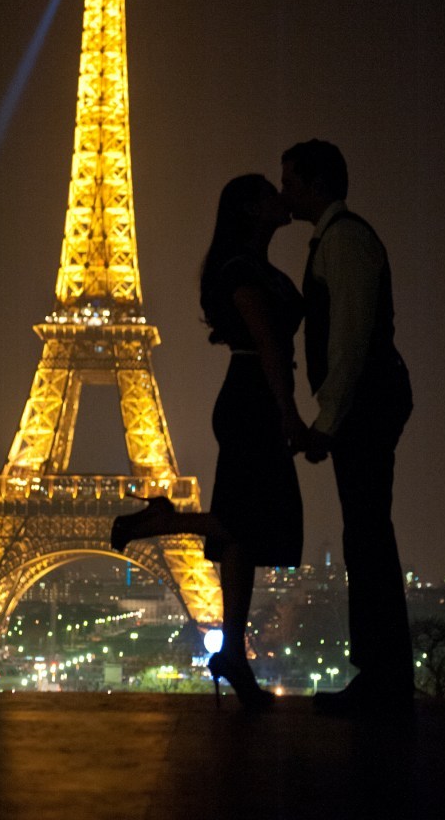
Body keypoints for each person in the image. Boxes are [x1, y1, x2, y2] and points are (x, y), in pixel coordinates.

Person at [110, 174, 307, 710]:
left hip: (252, 393)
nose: (278, 198)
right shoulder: (241, 271)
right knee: (249, 521)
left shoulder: (252, 268)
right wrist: (289, 410)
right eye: (269, 192)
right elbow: (268, 342)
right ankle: (158, 522)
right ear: (249, 208)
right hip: (254, 397)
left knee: (242, 535)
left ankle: (234, 655)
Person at [280, 139, 414, 715]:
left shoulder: (345, 242)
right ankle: (382, 675)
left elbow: (351, 340)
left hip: (364, 405)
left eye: (289, 181)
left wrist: (327, 421)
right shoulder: (340, 240)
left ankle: (382, 679)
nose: (284, 192)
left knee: (367, 535)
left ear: (313, 183)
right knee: (366, 534)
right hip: (369, 402)